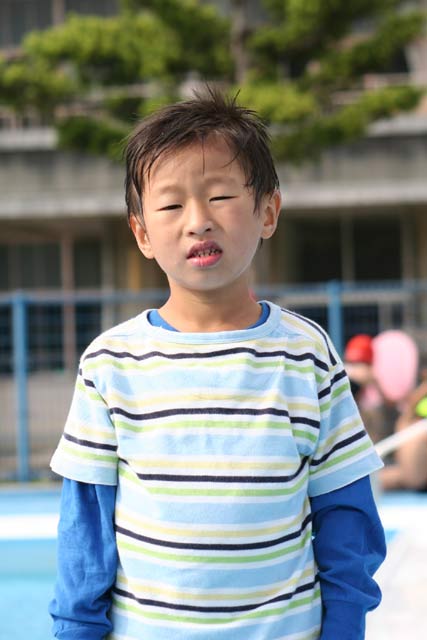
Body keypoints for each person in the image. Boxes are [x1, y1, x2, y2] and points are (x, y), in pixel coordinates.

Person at [49, 89, 386, 640]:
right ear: (142, 233)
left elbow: (345, 511)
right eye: (171, 205)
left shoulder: (306, 354)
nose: (198, 221)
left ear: (268, 211)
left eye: (221, 196)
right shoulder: (110, 364)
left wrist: (345, 627)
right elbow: (85, 535)